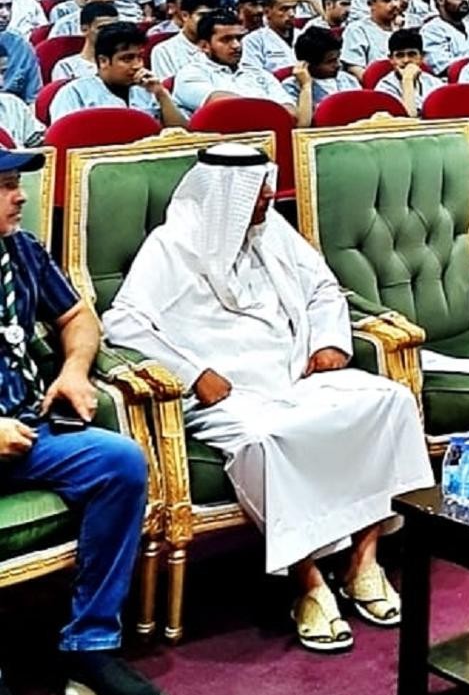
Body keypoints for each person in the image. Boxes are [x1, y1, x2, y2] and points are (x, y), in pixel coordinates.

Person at [102, 144, 433, 654]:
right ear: (226, 196)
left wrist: (328, 341)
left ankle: (363, 562)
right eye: (257, 190)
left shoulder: (271, 229)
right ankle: (306, 582)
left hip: (292, 375)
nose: (269, 197)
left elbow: (323, 288)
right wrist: (193, 374)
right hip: (226, 396)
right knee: (267, 440)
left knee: (391, 402)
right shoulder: (172, 244)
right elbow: (123, 322)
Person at [0, 147, 173, 695]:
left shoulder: (21, 251)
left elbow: (78, 315)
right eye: (5, 185)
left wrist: (74, 370)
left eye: (17, 182)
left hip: (29, 428)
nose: (21, 196)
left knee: (119, 463)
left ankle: (89, 648)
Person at [173, 11, 311, 126]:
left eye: (239, 38)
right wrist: (269, 110)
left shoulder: (259, 73)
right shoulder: (190, 74)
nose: (236, 45)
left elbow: (291, 114)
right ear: (204, 46)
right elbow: (224, 106)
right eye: (226, 39)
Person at [50, 22, 187, 127]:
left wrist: (161, 94)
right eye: (127, 59)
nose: (137, 65)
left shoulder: (149, 89)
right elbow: (63, 139)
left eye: (140, 57)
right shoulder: (74, 93)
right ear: (103, 61)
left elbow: (183, 134)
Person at [150, 0, 222, 79]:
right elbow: (166, 87)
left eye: (213, 15)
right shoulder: (164, 51)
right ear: (185, 15)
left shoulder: (224, 46)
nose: (208, 21)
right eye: (202, 15)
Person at [339, 0, 401, 82]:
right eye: (387, 0)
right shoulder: (357, 30)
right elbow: (355, 69)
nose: (395, 4)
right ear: (371, 3)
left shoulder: (404, 28)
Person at [284, 27, 361, 107]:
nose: (338, 65)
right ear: (308, 64)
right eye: (330, 61)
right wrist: (305, 87)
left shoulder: (348, 80)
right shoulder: (292, 88)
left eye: (338, 58)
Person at [373, 28, 441, 116]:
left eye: (412, 54)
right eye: (400, 55)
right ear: (391, 59)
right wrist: (407, 79)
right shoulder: (384, 87)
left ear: (422, 57)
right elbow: (410, 117)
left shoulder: (435, 83)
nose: (406, 60)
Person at [51, 2, 119, 81]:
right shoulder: (67, 67)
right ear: (84, 29)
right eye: (102, 28)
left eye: (114, 28)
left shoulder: (124, 64)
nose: (111, 33)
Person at [240, 0, 297, 72]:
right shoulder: (253, 40)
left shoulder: (304, 35)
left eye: (294, 8)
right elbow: (252, 73)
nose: (292, 14)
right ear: (267, 12)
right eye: (284, 9)